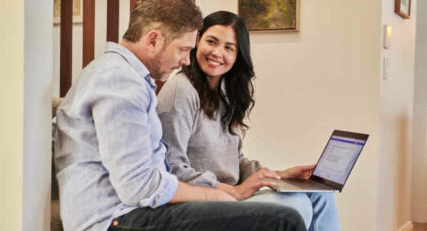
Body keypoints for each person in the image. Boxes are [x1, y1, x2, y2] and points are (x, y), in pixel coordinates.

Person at [55, 1, 307, 231]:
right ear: (153, 40)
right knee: (284, 220)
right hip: (115, 219)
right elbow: (138, 185)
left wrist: (270, 177)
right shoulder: (120, 82)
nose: (187, 60)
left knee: (297, 204)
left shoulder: (129, 79)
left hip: (135, 210)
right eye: (184, 49)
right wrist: (217, 194)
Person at [157, 11, 340, 231]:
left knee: (320, 195)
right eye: (212, 41)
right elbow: (171, 168)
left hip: (231, 193)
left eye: (229, 48)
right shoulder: (181, 91)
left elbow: (234, 160)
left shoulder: (224, 92)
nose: (217, 53)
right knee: (296, 204)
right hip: (203, 201)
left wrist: (279, 175)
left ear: (237, 55)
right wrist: (232, 190)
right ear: (197, 41)